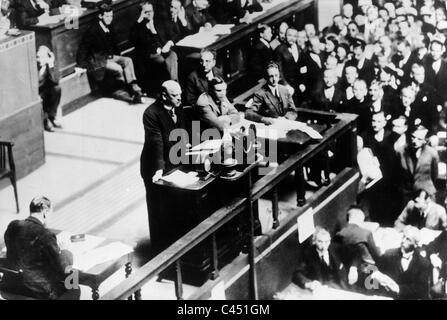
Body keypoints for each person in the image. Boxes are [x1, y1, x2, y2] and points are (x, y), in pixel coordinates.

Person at [140, 80, 189, 253]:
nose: (179, 98)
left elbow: (181, 130)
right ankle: (160, 251)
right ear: (164, 96)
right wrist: (159, 168)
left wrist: (186, 144)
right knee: (158, 210)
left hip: (175, 162)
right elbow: (156, 142)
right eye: (175, 95)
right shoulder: (151, 113)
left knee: (176, 207)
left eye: (180, 94)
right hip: (154, 166)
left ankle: (177, 246)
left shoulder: (179, 107)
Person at [0, 196, 79, 300]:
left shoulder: (13, 226)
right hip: (38, 292)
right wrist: (65, 251)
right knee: (74, 283)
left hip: (10, 286)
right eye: (50, 213)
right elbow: (61, 268)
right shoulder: (45, 235)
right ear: (45, 212)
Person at [76, 4, 143, 103]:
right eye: (107, 16)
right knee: (118, 69)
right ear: (100, 16)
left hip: (109, 57)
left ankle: (134, 87)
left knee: (128, 60)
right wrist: (80, 65)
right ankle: (122, 90)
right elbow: (83, 47)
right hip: (98, 61)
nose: (109, 19)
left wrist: (119, 57)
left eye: (111, 16)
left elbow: (114, 45)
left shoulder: (110, 27)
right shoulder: (93, 30)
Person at [129, 2, 178, 93]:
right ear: (141, 13)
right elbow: (132, 40)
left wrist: (169, 43)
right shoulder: (139, 26)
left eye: (151, 11)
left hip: (164, 50)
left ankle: (174, 84)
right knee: (162, 61)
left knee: (173, 55)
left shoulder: (159, 22)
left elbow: (174, 34)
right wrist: (139, 20)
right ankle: (169, 89)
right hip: (150, 54)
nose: (149, 13)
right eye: (146, 12)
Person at [372, 226, 431, 300]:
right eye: (403, 237)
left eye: (408, 239)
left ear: (415, 244)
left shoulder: (423, 263)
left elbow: (421, 289)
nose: (403, 241)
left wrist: (399, 289)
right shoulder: (389, 254)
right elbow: (375, 269)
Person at [335, 207, 381, 290]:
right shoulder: (366, 233)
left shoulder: (339, 234)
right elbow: (376, 255)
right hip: (368, 270)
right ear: (359, 219)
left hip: (347, 271)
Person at [395, 125, 439, 205]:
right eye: (413, 137)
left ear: (425, 140)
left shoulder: (432, 153)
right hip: (407, 195)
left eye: (419, 139)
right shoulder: (400, 152)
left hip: (426, 194)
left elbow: (434, 175)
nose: (415, 141)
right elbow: (397, 174)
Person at [274, 27, 311, 107]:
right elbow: (278, 70)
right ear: (285, 36)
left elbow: (303, 67)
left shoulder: (299, 49)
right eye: (289, 35)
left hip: (297, 85)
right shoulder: (279, 49)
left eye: (294, 36)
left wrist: (302, 83)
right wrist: (286, 85)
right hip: (286, 85)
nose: (292, 38)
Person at [36, 45, 62, 132]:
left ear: (48, 57)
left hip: (43, 93)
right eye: (38, 57)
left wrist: (51, 64)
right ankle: (44, 121)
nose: (39, 60)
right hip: (34, 94)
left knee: (56, 89)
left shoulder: (50, 67)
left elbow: (55, 81)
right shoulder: (33, 66)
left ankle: (51, 116)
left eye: (42, 57)